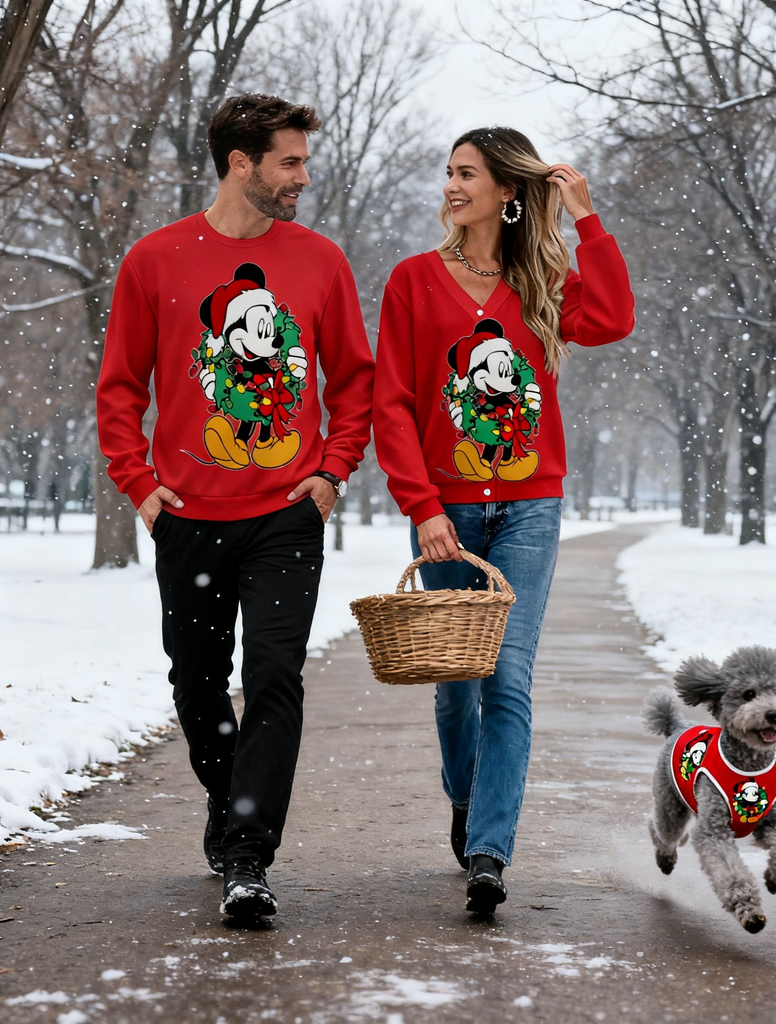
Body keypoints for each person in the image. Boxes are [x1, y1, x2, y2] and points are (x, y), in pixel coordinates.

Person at [96, 93, 375, 920]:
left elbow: (353, 381)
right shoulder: (154, 259)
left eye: (302, 160)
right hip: (187, 514)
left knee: (276, 676)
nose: (303, 175)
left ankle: (249, 857)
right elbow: (120, 388)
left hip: (287, 513)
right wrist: (142, 488)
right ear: (240, 163)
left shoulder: (321, 262)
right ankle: (227, 805)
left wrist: (331, 473)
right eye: (289, 161)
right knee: (199, 683)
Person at [373, 127, 634, 914]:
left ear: (508, 191)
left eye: (467, 174)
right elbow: (393, 404)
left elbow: (615, 319)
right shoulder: (414, 282)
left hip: (530, 508)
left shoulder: (544, 282)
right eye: (449, 172)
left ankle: (489, 850)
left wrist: (587, 220)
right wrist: (421, 509)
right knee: (455, 683)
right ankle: (464, 793)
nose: (452, 187)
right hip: (445, 510)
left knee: (508, 678)